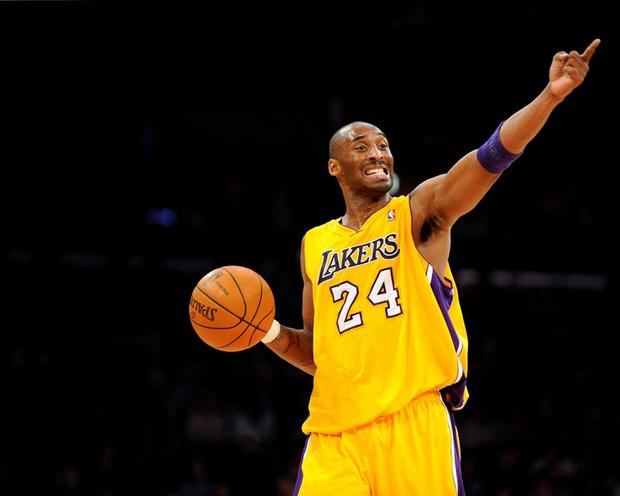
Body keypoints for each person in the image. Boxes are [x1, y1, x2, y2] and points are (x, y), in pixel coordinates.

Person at [258, 38, 600, 495]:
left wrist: (550, 97)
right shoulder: (314, 244)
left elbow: (489, 158)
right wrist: (265, 332)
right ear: (335, 168)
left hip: (414, 421)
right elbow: (321, 356)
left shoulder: (417, 213)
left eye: (383, 145)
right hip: (334, 434)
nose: (378, 153)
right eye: (362, 147)